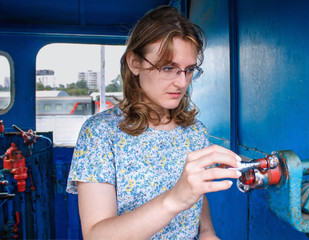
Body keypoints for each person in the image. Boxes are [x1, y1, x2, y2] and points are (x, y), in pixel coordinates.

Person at [66, 5, 242, 240]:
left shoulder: (195, 131)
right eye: (168, 68)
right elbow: (96, 235)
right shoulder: (100, 132)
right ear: (134, 63)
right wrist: (174, 198)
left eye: (189, 70)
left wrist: (207, 231)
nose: (181, 82)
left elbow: (196, 195)